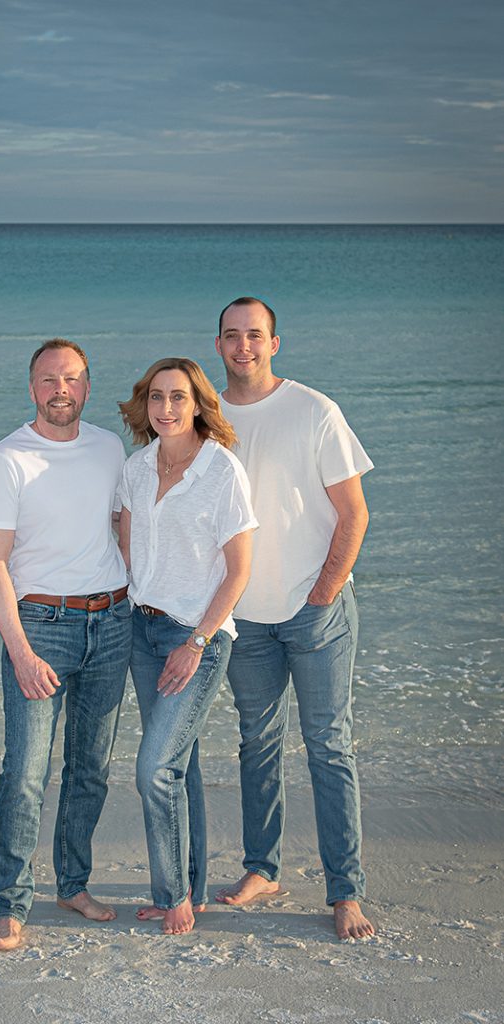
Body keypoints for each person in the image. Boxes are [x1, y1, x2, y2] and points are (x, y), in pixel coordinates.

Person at [213, 296, 375, 940]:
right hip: (244, 618)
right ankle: (262, 869)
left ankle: (346, 891)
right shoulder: (207, 415)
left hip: (316, 611)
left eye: (255, 335)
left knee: (329, 747)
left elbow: (354, 512)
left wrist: (325, 592)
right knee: (257, 744)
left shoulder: (314, 410)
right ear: (218, 345)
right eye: (232, 336)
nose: (243, 346)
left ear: (274, 343)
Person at [0, 338, 131, 951]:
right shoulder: (8, 459)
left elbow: (122, 526)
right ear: (31, 388)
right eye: (47, 379)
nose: (60, 389)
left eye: (71, 379)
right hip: (40, 626)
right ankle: (12, 904)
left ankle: (73, 883)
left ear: (87, 387)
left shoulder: (109, 447)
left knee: (90, 768)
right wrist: (19, 650)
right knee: (26, 772)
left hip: (112, 622)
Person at [117, 358, 256, 935]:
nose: (166, 408)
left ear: (198, 403)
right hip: (141, 632)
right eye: (156, 398)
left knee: (154, 767)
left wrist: (197, 640)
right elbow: (125, 542)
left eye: (178, 397)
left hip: (194, 637)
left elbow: (238, 572)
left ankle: (173, 895)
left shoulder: (222, 471)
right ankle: (186, 887)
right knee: (180, 765)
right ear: (144, 405)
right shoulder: (136, 467)